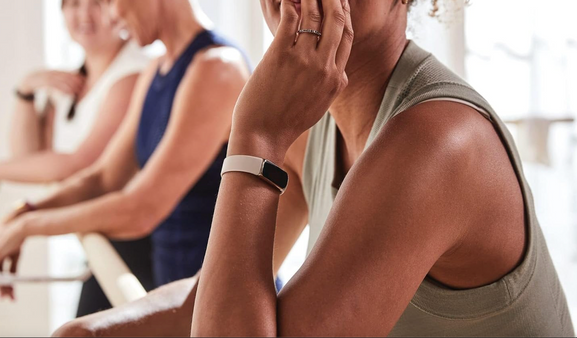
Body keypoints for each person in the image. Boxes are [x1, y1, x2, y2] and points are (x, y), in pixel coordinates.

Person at [55, 0, 575, 336]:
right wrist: (91, 332)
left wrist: (253, 132)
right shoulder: (313, 122)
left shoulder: (438, 142)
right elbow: (211, 295)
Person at [0, 0, 250, 315]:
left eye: (110, 0)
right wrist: (25, 212)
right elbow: (104, 177)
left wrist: (29, 227)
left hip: (220, 301)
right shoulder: (156, 68)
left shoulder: (217, 68)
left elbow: (143, 207)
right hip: (174, 288)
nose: (113, 15)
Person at [0, 0, 152, 318]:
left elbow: (83, 163)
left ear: (118, 8)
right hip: (101, 235)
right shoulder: (71, 82)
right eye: (72, 3)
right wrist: (26, 92)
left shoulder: (135, 74)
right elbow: (31, 160)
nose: (83, 13)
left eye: (96, 3)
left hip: (138, 242)